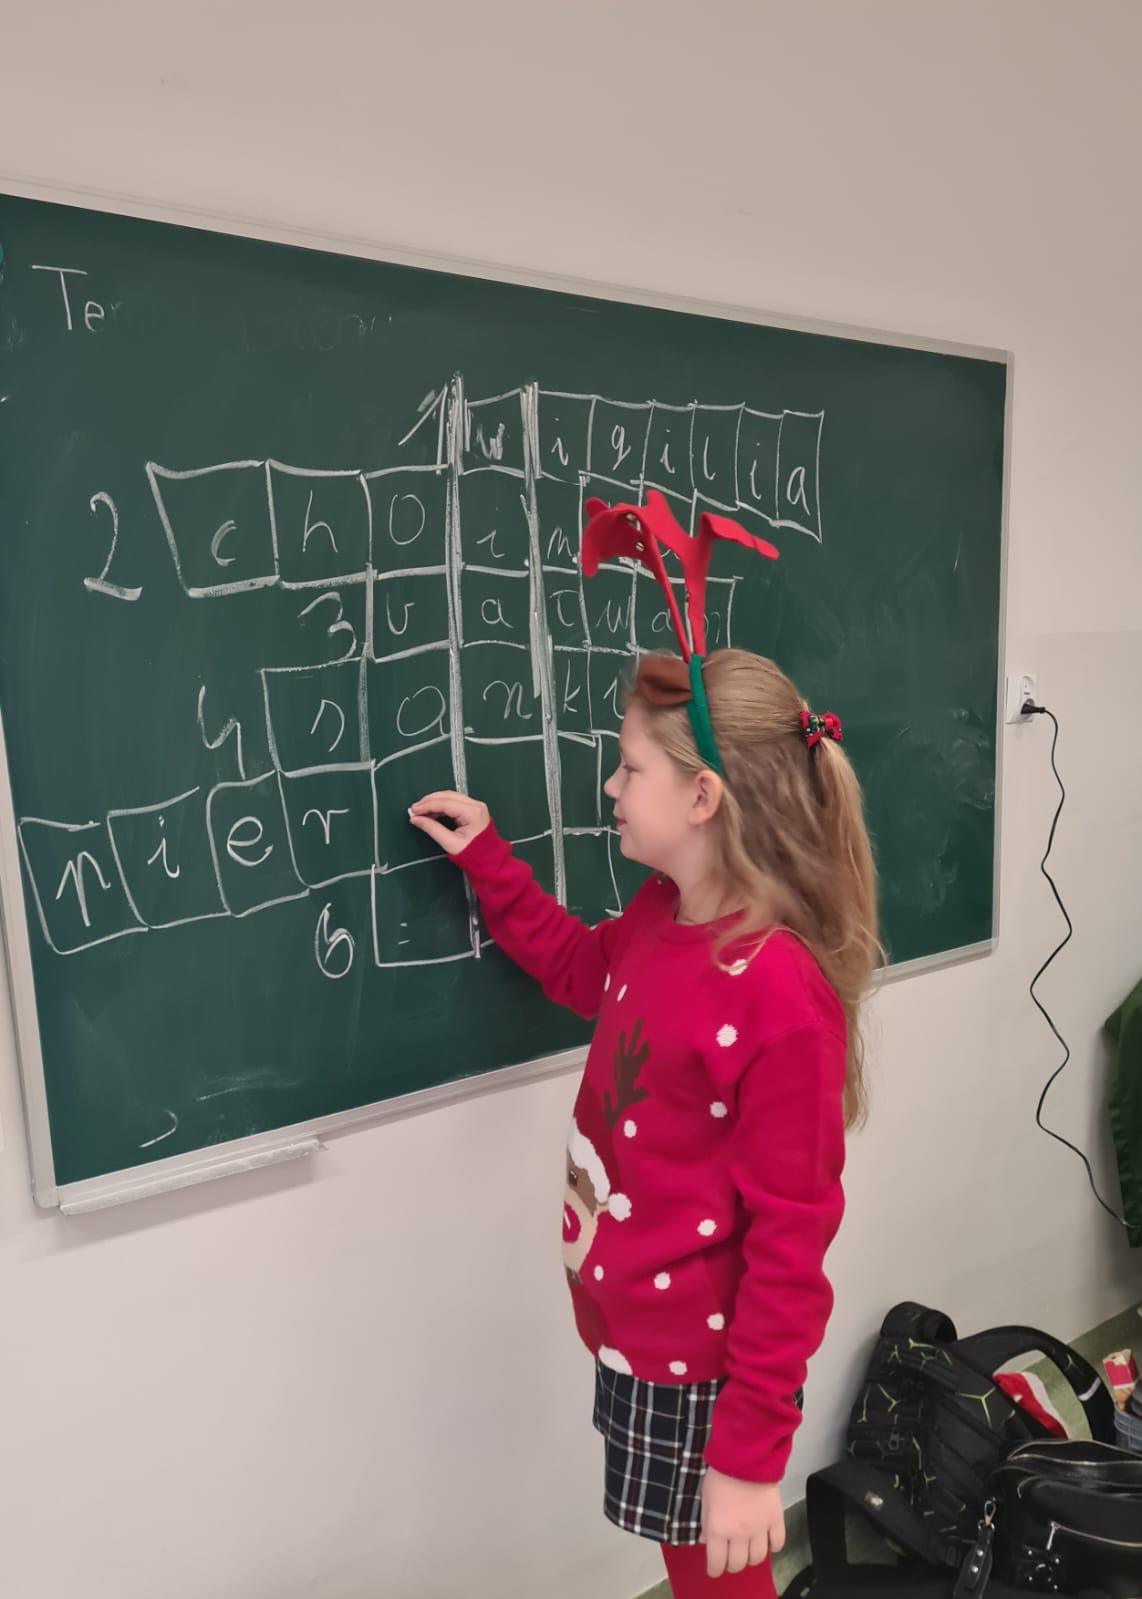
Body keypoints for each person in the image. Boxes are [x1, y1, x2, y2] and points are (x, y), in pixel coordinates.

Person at [408, 493, 880, 1597]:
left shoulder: (777, 992)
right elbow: (584, 971)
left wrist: (750, 1461)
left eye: (628, 770)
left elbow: (791, 1242)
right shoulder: (661, 917)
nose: (611, 788)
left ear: (703, 796)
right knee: (688, 1563)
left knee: (715, 1573)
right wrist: (489, 862)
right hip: (638, 1325)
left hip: (709, 1366)